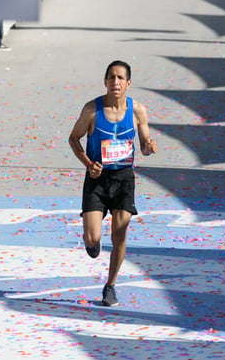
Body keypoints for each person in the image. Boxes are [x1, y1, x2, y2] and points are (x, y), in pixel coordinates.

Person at [67, 60, 158, 307]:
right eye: (111, 77)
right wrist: (88, 163)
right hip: (97, 178)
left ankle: (110, 286)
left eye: (120, 78)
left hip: (123, 178)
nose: (115, 82)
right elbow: (74, 139)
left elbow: (145, 144)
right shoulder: (91, 110)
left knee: (119, 235)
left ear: (128, 83)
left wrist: (149, 147)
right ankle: (91, 244)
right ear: (105, 81)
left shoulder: (138, 110)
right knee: (93, 236)